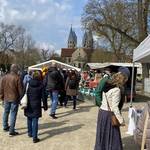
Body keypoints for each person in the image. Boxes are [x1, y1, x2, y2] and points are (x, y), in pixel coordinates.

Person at [94, 72, 128, 150]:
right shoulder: (116, 90)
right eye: (124, 81)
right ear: (121, 80)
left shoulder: (106, 86)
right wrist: (121, 120)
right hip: (109, 114)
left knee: (102, 133)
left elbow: (103, 100)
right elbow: (115, 108)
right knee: (113, 134)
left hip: (102, 112)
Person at [24, 71, 48, 143]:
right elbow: (44, 97)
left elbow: (23, 93)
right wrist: (45, 105)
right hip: (36, 104)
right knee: (35, 120)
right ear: (39, 77)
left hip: (28, 103)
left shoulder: (27, 84)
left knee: (29, 118)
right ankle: (35, 137)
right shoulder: (41, 85)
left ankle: (30, 133)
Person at [0, 64, 23, 136]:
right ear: (16, 70)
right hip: (14, 98)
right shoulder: (17, 78)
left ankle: (5, 126)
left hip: (6, 97)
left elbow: (1, 89)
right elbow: (21, 91)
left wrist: (1, 97)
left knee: (6, 112)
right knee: (13, 113)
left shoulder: (4, 77)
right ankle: (11, 130)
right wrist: (21, 99)